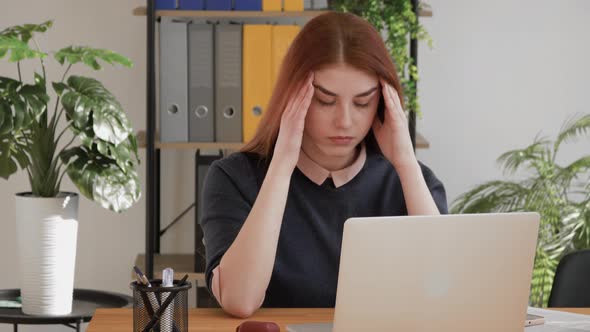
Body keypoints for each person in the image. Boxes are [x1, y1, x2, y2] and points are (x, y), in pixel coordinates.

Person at [199, 11, 447, 318]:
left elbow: (444, 292)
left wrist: (406, 162)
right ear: (292, 98)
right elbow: (240, 300)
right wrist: (282, 165)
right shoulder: (233, 177)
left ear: (383, 104)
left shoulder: (412, 181)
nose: (345, 121)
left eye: (362, 102)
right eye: (325, 101)